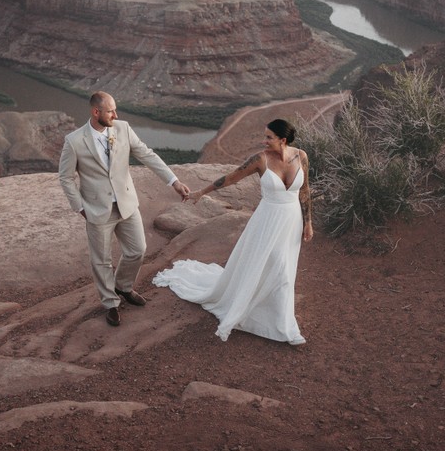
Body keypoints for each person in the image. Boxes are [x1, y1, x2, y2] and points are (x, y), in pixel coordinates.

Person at [152, 118, 313, 345]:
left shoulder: (301, 156)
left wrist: (308, 222)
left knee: (285, 268)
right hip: (267, 220)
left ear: (283, 140)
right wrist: (201, 192)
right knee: (273, 264)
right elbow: (231, 178)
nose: (263, 140)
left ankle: (282, 322)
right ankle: (272, 319)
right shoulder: (260, 160)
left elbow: (304, 191)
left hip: (292, 220)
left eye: (269, 137)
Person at [58, 91, 190, 327]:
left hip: (127, 204)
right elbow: (65, 178)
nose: (115, 114)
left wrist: (174, 181)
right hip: (97, 210)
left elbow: (147, 155)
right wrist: (79, 207)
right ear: (95, 112)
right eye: (110, 111)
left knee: (138, 249)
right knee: (102, 260)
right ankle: (111, 303)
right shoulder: (74, 141)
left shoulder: (123, 128)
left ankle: (123, 286)